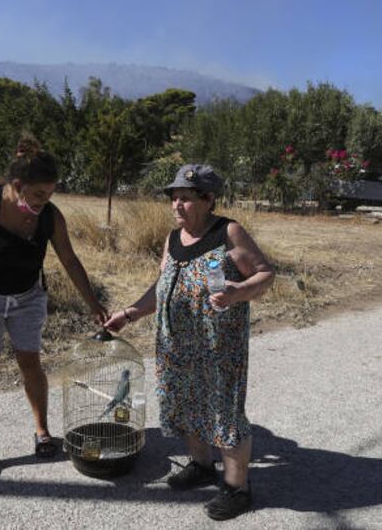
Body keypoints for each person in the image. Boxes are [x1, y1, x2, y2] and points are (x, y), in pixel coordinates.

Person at [104, 164, 275, 520]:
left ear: (208, 199)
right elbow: (162, 285)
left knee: (224, 413)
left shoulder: (228, 232)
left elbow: (265, 273)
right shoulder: (172, 239)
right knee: (182, 404)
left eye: (185, 198)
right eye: (174, 198)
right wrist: (130, 313)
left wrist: (240, 291)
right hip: (174, 344)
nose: (176, 205)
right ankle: (201, 465)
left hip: (218, 349)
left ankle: (237, 488)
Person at [0, 135, 108, 483]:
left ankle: (42, 431)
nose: (44, 202)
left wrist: (93, 304)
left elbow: (70, 260)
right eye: (37, 195)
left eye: (49, 195)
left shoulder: (50, 216)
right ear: (17, 186)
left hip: (28, 296)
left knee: (30, 362)